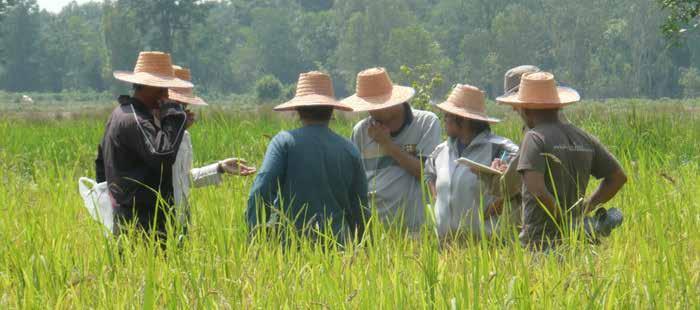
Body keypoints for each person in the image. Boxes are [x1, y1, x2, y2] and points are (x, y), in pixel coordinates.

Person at [496, 72, 627, 250]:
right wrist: (585, 208)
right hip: (578, 241)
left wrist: (562, 218)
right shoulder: (583, 138)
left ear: (526, 109)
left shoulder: (534, 138)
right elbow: (618, 177)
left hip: (541, 243)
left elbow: (538, 191)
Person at [246, 71, 368, 243]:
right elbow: (360, 207)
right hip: (339, 247)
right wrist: (364, 246)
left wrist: (254, 234)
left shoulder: (284, 142)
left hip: (289, 246)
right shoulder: (349, 149)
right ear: (331, 110)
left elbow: (261, 189)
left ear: (298, 110)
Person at [95, 51, 191, 239]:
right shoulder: (135, 119)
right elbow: (163, 155)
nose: (164, 96)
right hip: (142, 222)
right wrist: (174, 115)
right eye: (162, 89)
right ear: (147, 85)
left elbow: (100, 165)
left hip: (130, 217)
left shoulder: (121, 114)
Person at [342, 68, 441, 232]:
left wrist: (387, 145)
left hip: (414, 230)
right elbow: (354, 183)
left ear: (393, 102)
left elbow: (426, 173)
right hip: (373, 231)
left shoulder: (426, 123)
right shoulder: (361, 131)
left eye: (376, 105)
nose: (371, 111)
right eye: (368, 106)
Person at [168, 65, 256, 237]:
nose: (184, 112)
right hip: (160, 221)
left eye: (184, 106)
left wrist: (220, 168)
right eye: (177, 106)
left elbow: (185, 179)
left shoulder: (184, 136)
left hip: (181, 220)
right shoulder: (151, 136)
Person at [424, 84, 518, 240]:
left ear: (464, 119)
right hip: (447, 248)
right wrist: (437, 202)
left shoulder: (500, 149)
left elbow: (521, 180)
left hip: (488, 246)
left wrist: (497, 206)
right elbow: (429, 172)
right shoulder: (441, 151)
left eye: (448, 115)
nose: (444, 119)